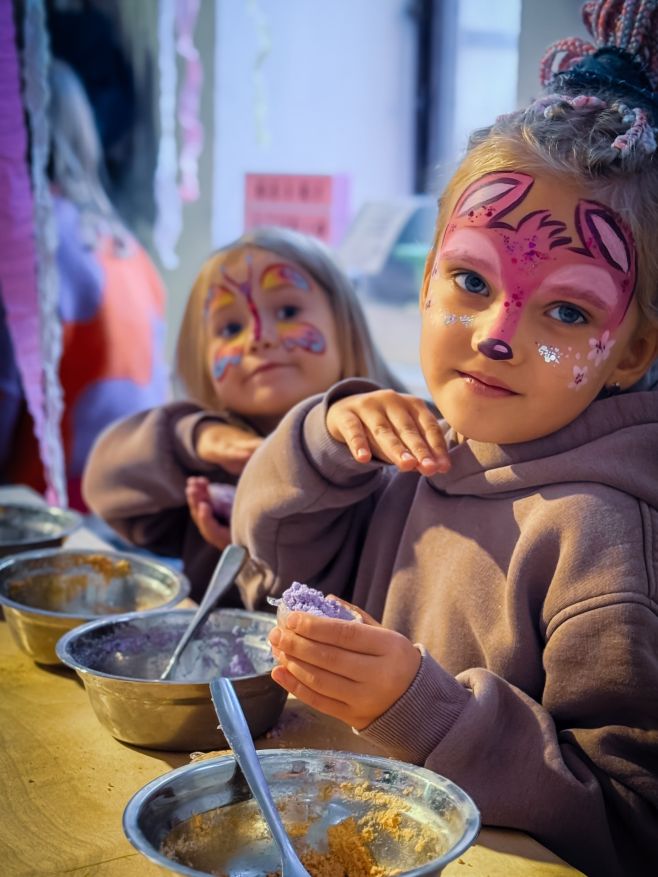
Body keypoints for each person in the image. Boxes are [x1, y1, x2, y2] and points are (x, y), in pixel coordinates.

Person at [229, 3, 658, 874]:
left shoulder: (602, 542)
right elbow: (263, 568)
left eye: (566, 309)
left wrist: (421, 707)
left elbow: (632, 825)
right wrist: (319, 444)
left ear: (632, 349)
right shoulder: (419, 449)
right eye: (469, 279)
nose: (494, 334)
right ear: (426, 277)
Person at [82, 225, 406, 604]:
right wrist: (195, 437)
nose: (259, 336)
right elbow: (104, 485)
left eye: (287, 310)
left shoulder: (382, 452)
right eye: (231, 326)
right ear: (199, 360)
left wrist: (255, 552)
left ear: (344, 325)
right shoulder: (208, 462)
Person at [0, 59, 168, 511]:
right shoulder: (125, 242)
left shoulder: (23, 242)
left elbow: (6, 396)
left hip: (55, 508)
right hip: (140, 499)